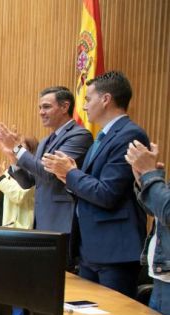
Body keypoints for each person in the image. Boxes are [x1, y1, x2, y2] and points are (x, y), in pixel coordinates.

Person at [42, 71, 149, 297]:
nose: (84, 106)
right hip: (91, 249)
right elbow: (89, 183)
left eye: (88, 99)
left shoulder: (129, 135)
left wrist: (71, 174)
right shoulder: (103, 136)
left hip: (113, 250)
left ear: (106, 99)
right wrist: (68, 178)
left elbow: (107, 193)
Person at [0, 86, 93, 234]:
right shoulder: (45, 141)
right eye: (40, 107)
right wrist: (14, 158)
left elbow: (48, 173)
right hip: (41, 219)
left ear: (65, 107)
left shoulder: (79, 136)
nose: (41, 112)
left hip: (62, 219)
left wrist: (17, 148)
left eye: (46, 107)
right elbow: (29, 181)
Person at [126, 141, 170, 315]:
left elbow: (167, 211)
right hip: (161, 278)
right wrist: (144, 181)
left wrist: (150, 175)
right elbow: (156, 211)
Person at [0, 144, 35, 229]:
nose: (13, 151)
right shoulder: (7, 171)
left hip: (19, 230)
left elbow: (19, 196)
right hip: (0, 226)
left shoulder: (32, 175)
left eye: (19, 148)